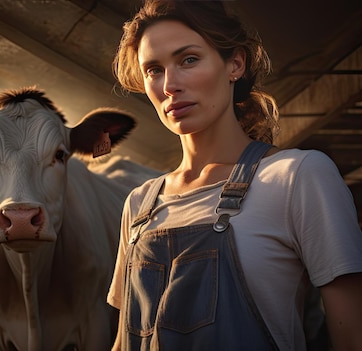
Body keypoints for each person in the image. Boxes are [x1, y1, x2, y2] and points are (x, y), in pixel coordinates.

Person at [106, 0, 362, 350]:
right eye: (153, 69)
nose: (169, 85)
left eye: (188, 60)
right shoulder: (140, 204)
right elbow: (123, 342)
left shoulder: (297, 177)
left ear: (235, 64)